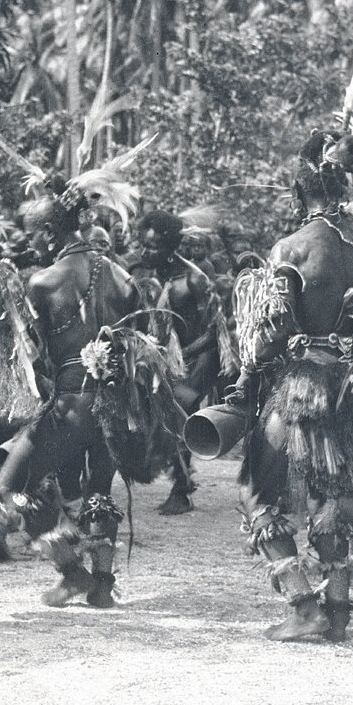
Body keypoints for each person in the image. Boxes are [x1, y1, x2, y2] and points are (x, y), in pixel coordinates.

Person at [226, 130, 353, 642]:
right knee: (332, 495)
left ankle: (303, 605)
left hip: (303, 386)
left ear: (299, 192)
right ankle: (337, 610)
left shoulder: (293, 247)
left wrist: (246, 373)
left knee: (255, 490)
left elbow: (275, 325)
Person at [0, 182, 184, 608]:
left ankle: (71, 572)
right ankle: (102, 586)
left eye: (32, 234)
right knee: (99, 488)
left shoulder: (44, 281)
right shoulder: (121, 275)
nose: (31, 243)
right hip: (116, 404)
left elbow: (31, 355)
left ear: (48, 232)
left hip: (71, 403)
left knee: (9, 483)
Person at [132, 209, 231, 515]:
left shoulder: (194, 279)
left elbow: (215, 329)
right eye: (144, 246)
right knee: (161, 417)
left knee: (179, 414)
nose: (146, 252)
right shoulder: (142, 276)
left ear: (170, 247)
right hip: (161, 359)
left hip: (199, 358)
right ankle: (177, 480)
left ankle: (182, 488)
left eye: (153, 247)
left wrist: (185, 358)